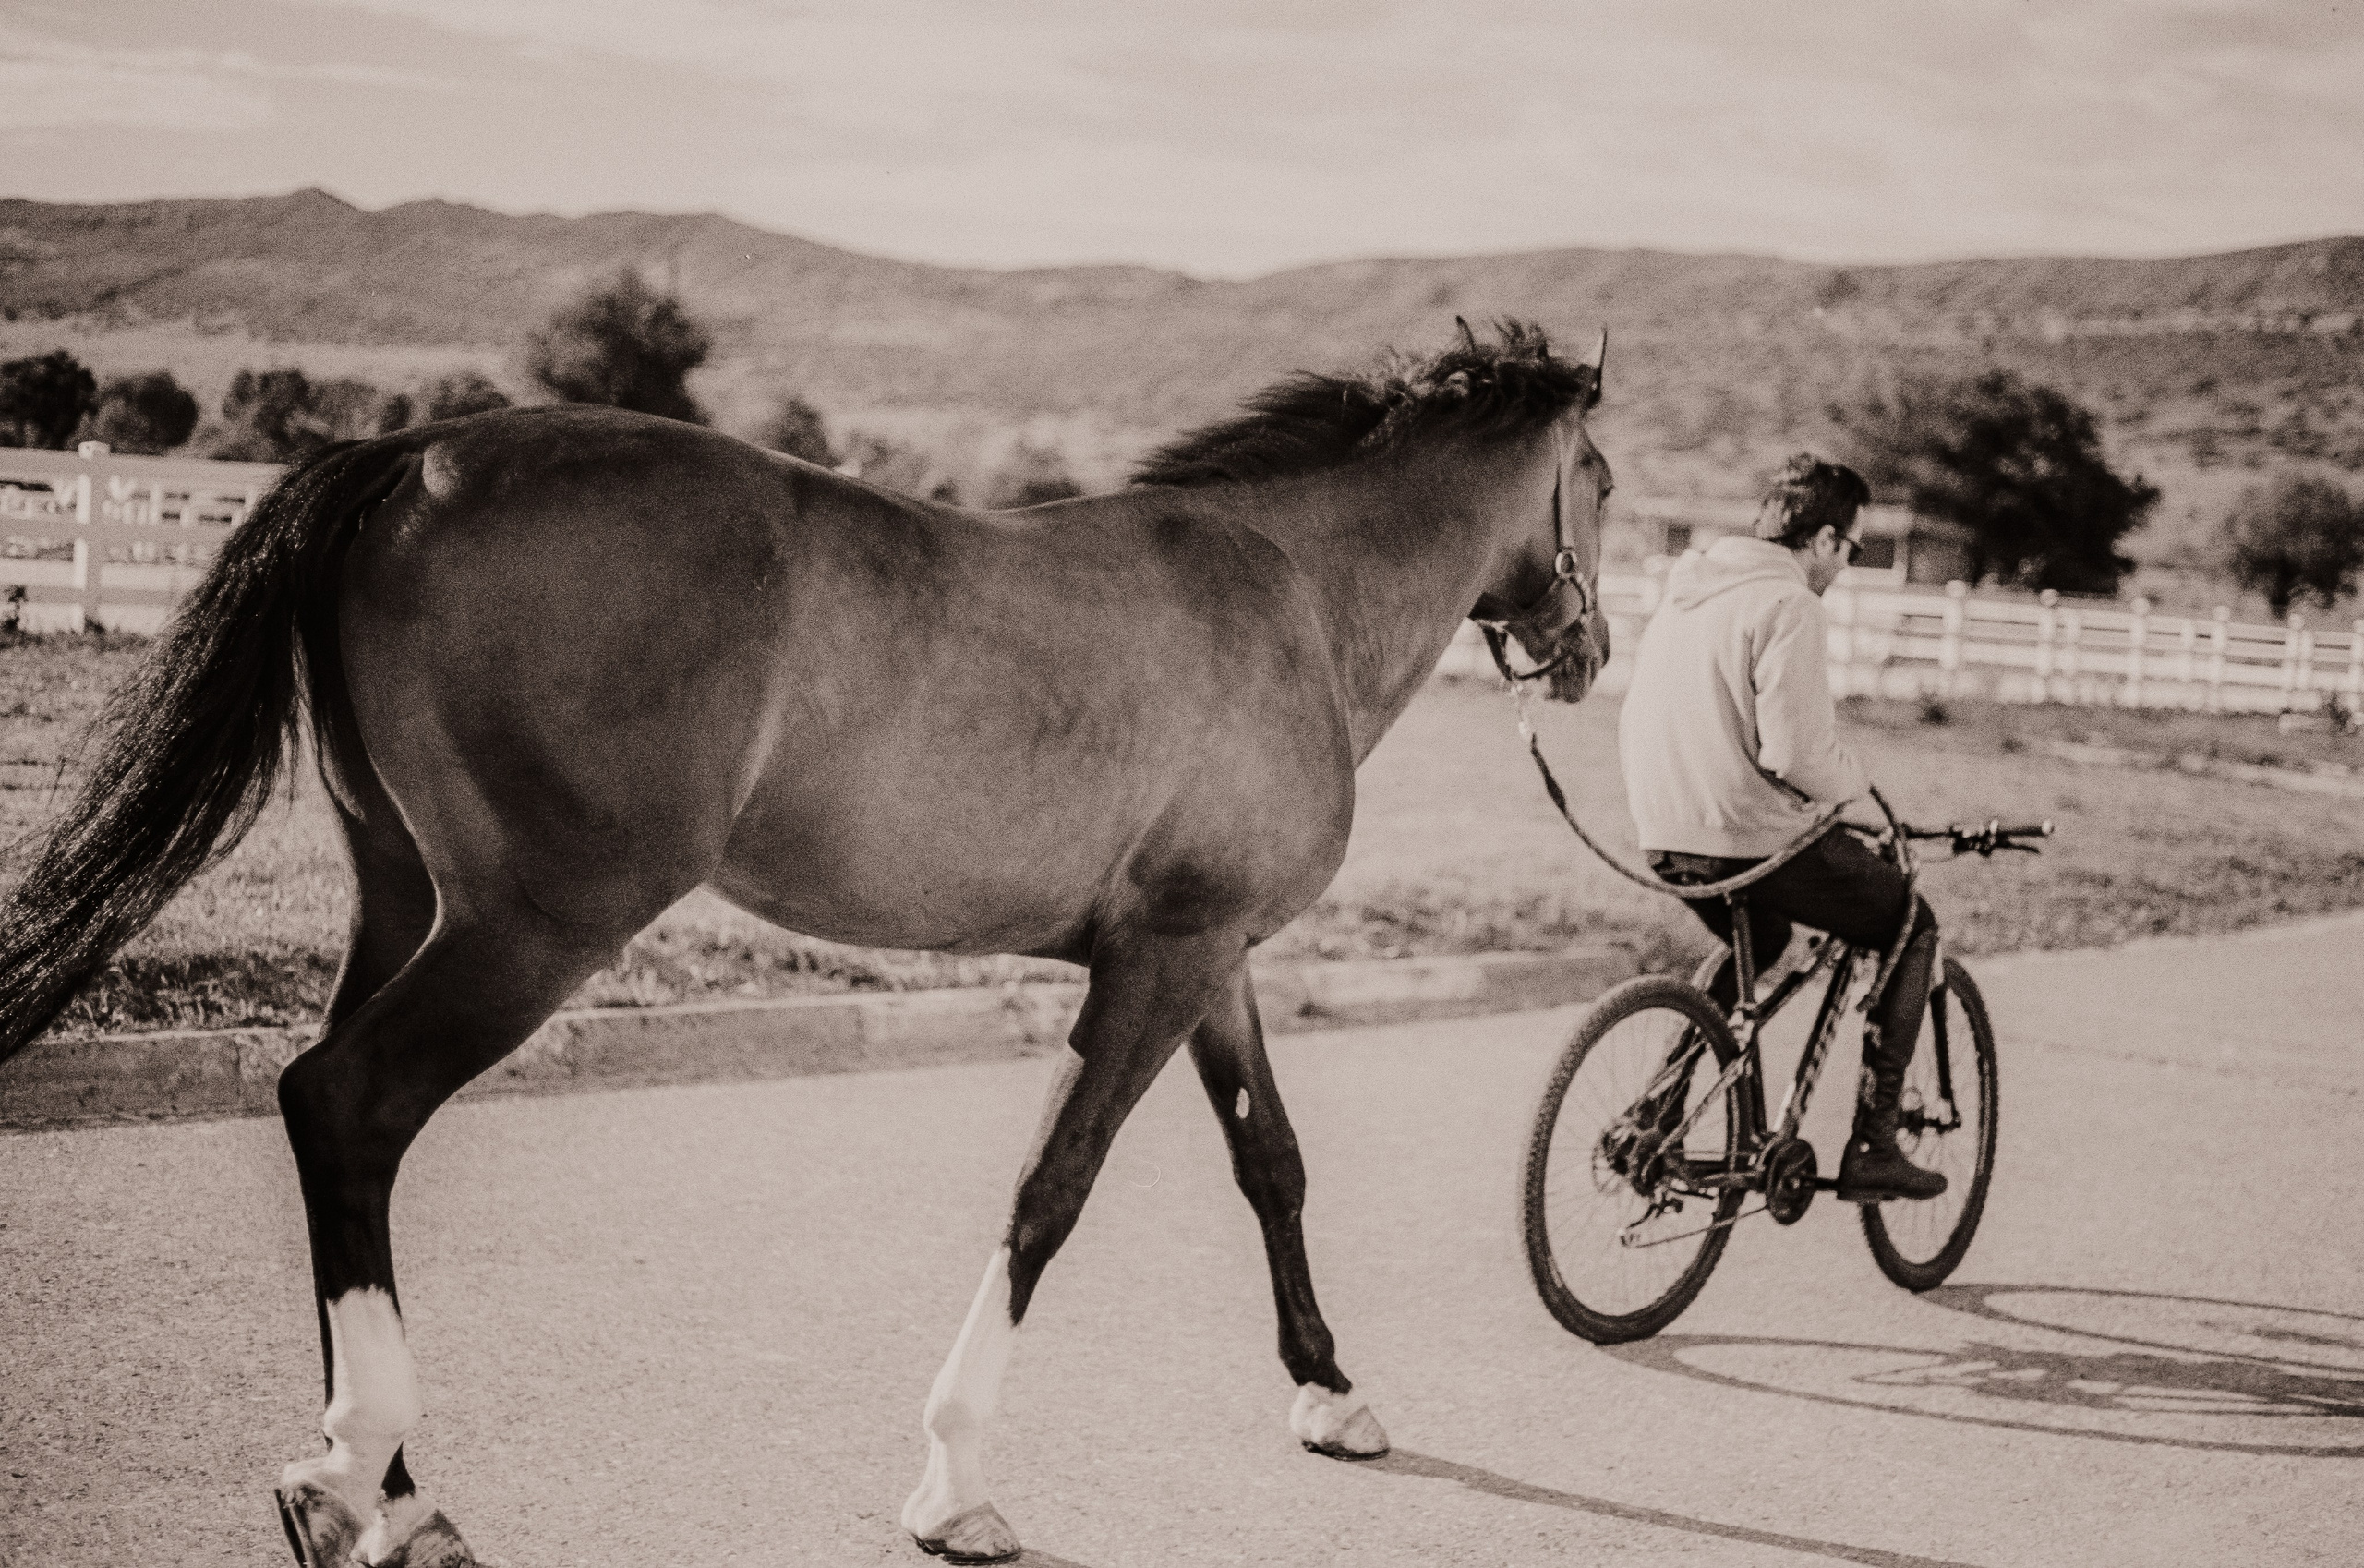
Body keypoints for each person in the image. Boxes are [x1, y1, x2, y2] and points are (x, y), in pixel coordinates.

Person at [1618, 453, 1945, 1202]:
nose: (1847, 565)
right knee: (1911, 922)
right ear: (1824, 539)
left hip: (1666, 830)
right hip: (1748, 837)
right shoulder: (1788, 604)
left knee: (1762, 943)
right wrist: (1856, 790)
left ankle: (1659, 1112)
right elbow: (1796, 752)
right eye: (1853, 550)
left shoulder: (1691, 590)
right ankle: (1875, 1144)